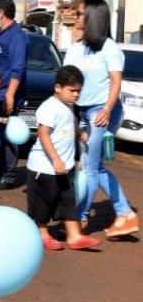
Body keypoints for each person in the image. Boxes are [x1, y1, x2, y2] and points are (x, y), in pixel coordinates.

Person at [64, 0, 138, 238]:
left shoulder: (109, 48)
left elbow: (116, 81)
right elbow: (66, 81)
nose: (76, 17)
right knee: (94, 166)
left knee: (89, 168)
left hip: (103, 111)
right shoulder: (75, 49)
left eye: (80, 13)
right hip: (82, 112)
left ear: (93, 17)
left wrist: (106, 109)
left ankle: (80, 217)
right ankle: (125, 213)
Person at [25, 65, 100, 251]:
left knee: (68, 201)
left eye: (78, 91)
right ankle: (42, 234)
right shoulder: (49, 107)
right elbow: (43, 134)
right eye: (72, 90)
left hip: (65, 167)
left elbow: (65, 128)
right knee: (43, 204)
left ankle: (74, 236)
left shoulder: (68, 107)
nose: (76, 94)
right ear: (57, 87)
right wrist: (56, 159)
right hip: (44, 167)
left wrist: (78, 133)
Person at [0, 0, 27, 188]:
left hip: (7, 95)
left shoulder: (16, 36)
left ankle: (9, 174)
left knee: (9, 136)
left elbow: (17, 68)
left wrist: (10, 94)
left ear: (1, 12)